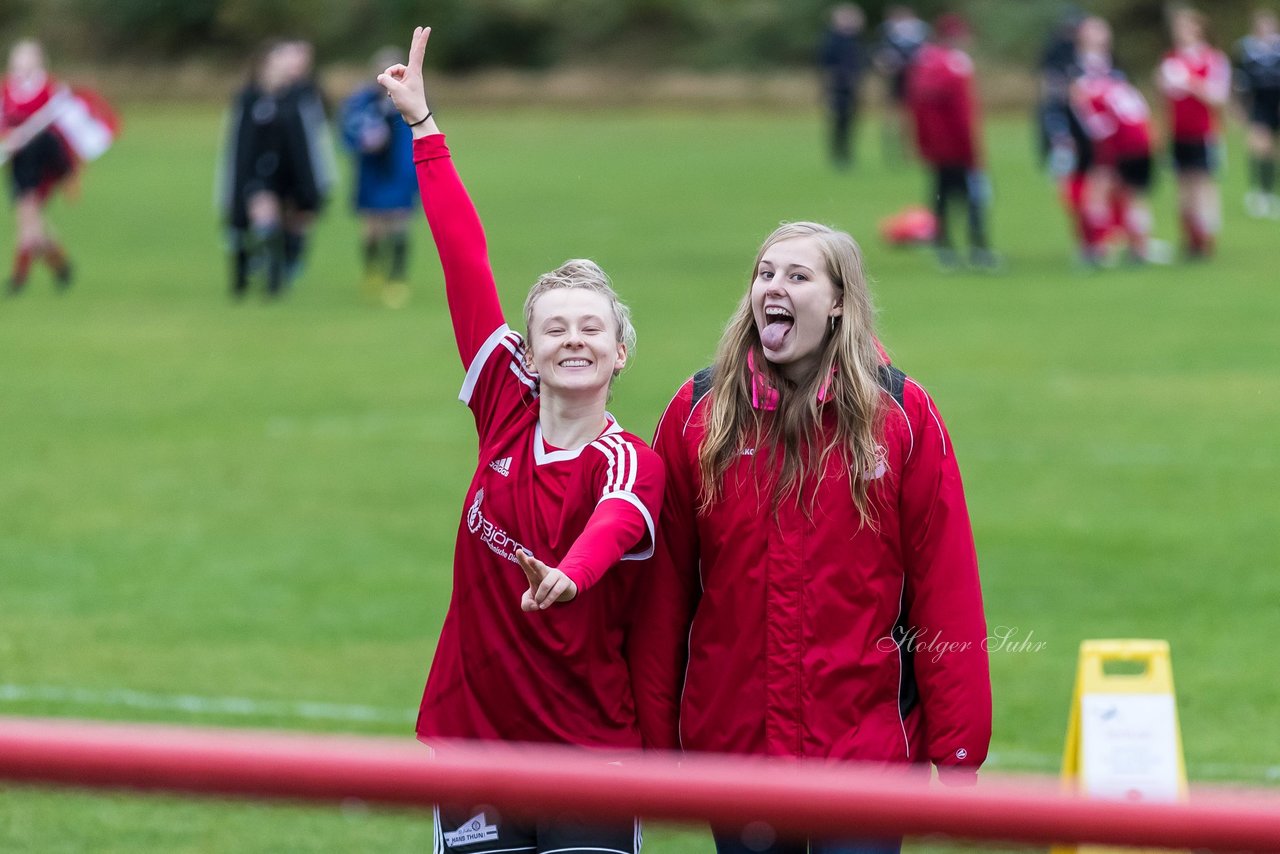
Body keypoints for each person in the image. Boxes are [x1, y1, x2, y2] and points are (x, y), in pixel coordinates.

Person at [379, 26, 664, 854]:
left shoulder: (630, 459)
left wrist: (568, 579)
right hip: (474, 742)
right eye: (554, 329)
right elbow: (464, 261)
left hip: (589, 753)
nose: (572, 340)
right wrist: (424, 128)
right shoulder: (502, 402)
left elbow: (614, 522)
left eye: (591, 329)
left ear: (619, 353)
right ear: (528, 354)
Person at [630, 221, 991, 854]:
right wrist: (658, 744)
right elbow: (663, 594)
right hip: (736, 752)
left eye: (798, 276)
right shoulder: (698, 415)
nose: (775, 287)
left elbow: (946, 585)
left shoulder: (902, 417)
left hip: (866, 753)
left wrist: (959, 748)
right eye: (764, 274)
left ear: (839, 303)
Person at [218, 39, 334, 299]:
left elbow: (309, 140)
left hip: (290, 173)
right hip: (259, 173)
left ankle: (282, 269)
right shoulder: (248, 99)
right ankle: (263, 275)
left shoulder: (298, 99)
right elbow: (239, 143)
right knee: (262, 217)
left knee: (293, 223)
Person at [905, 13, 996, 270]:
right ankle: (979, 249)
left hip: (937, 149)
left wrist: (924, 145)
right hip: (959, 149)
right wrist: (973, 152)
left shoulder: (924, 64)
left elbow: (916, 111)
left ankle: (944, 249)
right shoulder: (956, 66)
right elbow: (963, 115)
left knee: (941, 197)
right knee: (976, 199)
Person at [1069, 16, 1160, 265]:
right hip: (1124, 139)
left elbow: (1105, 123)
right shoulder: (1078, 70)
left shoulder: (1106, 76)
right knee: (1117, 194)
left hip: (1123, 141)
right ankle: (1121, 247)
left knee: (1112, 193)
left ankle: (1107, 249)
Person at [339, 46, 417, 308]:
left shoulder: (411, 100)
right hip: (371, 173)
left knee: (399, 223)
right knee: (372, 228)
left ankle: (397, 278)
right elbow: (346, 132)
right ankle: (373, 270)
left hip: (400, 172)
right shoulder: (361, 101)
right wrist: (362, 140)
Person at [1157, 7, 1231, 259]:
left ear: (1198, 29)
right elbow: (1165, 99)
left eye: (1187, 27)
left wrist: (1190, 83)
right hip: (1179, 133)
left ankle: (1205, 239)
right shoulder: (1170, 59)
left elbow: (1218, 97)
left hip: (1204, 132)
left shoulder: (1213, 59)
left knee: (1203, 185)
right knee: (1183, 186)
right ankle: (1189, 237)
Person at [2, 40, 75, 294]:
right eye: (20, 58)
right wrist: (9, 140)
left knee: (27, 220)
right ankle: (61, 266)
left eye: (28, 58)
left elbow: (51, 121)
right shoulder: (7, 90)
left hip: (41, 161)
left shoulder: (49, 89)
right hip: (19, 163)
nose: (23, 63)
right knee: (32, 223)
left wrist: (26, 134)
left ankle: (19, 279)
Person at [1234, 8, 1280, 218]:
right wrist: (1240, 107)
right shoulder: (1246, 50)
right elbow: (1239, 82)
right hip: (1259, 104)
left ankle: (1271, 192)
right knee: (1259, 146)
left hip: (1277, 103)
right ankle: (1259, 192)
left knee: (1273, 151)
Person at [873, 5, 928, 165]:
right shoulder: (888, 39)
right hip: (896, 84)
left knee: (910, 120)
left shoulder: (918, 40)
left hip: (914, 84)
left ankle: (909, 151)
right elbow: (881, 61)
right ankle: (893, 151)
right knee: (892, 118)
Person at [819, 3, 867, 169]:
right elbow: (826, 67)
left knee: (850, 122)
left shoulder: (853, 40)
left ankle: (846, 154)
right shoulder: (832, 40)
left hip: (852, 86)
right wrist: (829, 89)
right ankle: (838, 155)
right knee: (839, 122)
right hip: (838, 86)